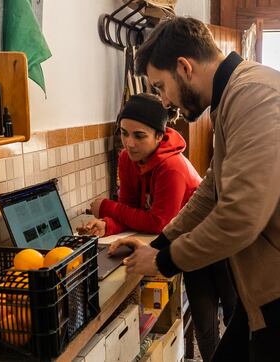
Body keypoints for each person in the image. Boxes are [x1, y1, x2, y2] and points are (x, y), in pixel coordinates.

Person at [109, 16, 280, 362]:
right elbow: (212, 189)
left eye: (160, 87)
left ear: (184, 67)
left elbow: (240, 217)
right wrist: (163, 241)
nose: (166, 102)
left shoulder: (256, 96)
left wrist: (164, 260)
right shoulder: (234, 97)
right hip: (275, 281)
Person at [80, 92, 236, 360]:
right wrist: (107, 225)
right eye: (124, 133)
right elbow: (131, 208)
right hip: (186, 246)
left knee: (234, 317)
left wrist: (106, 207)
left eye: (139, 135)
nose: (129, 143)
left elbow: (159, 223)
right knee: (204, 323)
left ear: (159, 136)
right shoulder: (127, 160)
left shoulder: (172, 166)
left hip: (215, 240)